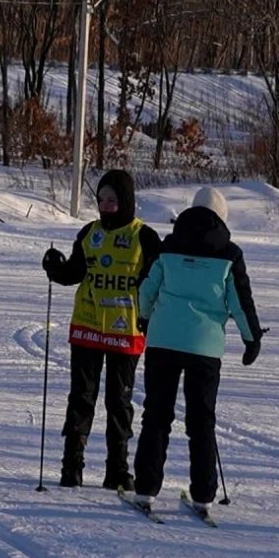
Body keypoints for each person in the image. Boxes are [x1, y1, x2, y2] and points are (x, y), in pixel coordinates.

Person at [132, 188, 263, 515]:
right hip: (204, 348)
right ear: (222, 215)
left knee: (156, 414)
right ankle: (203, 494)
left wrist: (144, 319)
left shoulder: (168, 246)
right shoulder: (230, 254)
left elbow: (147, 288)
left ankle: (146, 490)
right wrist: (252, 339)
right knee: (201, 420)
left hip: (163, 341)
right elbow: (240, 303)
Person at [41, 169, 161, 490]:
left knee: (119, 402)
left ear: (127, 201)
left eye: (113, 200)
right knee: (82, 397)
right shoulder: (88, 233)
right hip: (88, 328)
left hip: (126, 332)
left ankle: (117, 471)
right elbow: (74, 273)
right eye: (102, 200)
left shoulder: (144, 237)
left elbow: (157, 282)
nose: (106, 206)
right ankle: (71, 468)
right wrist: (56, 267)